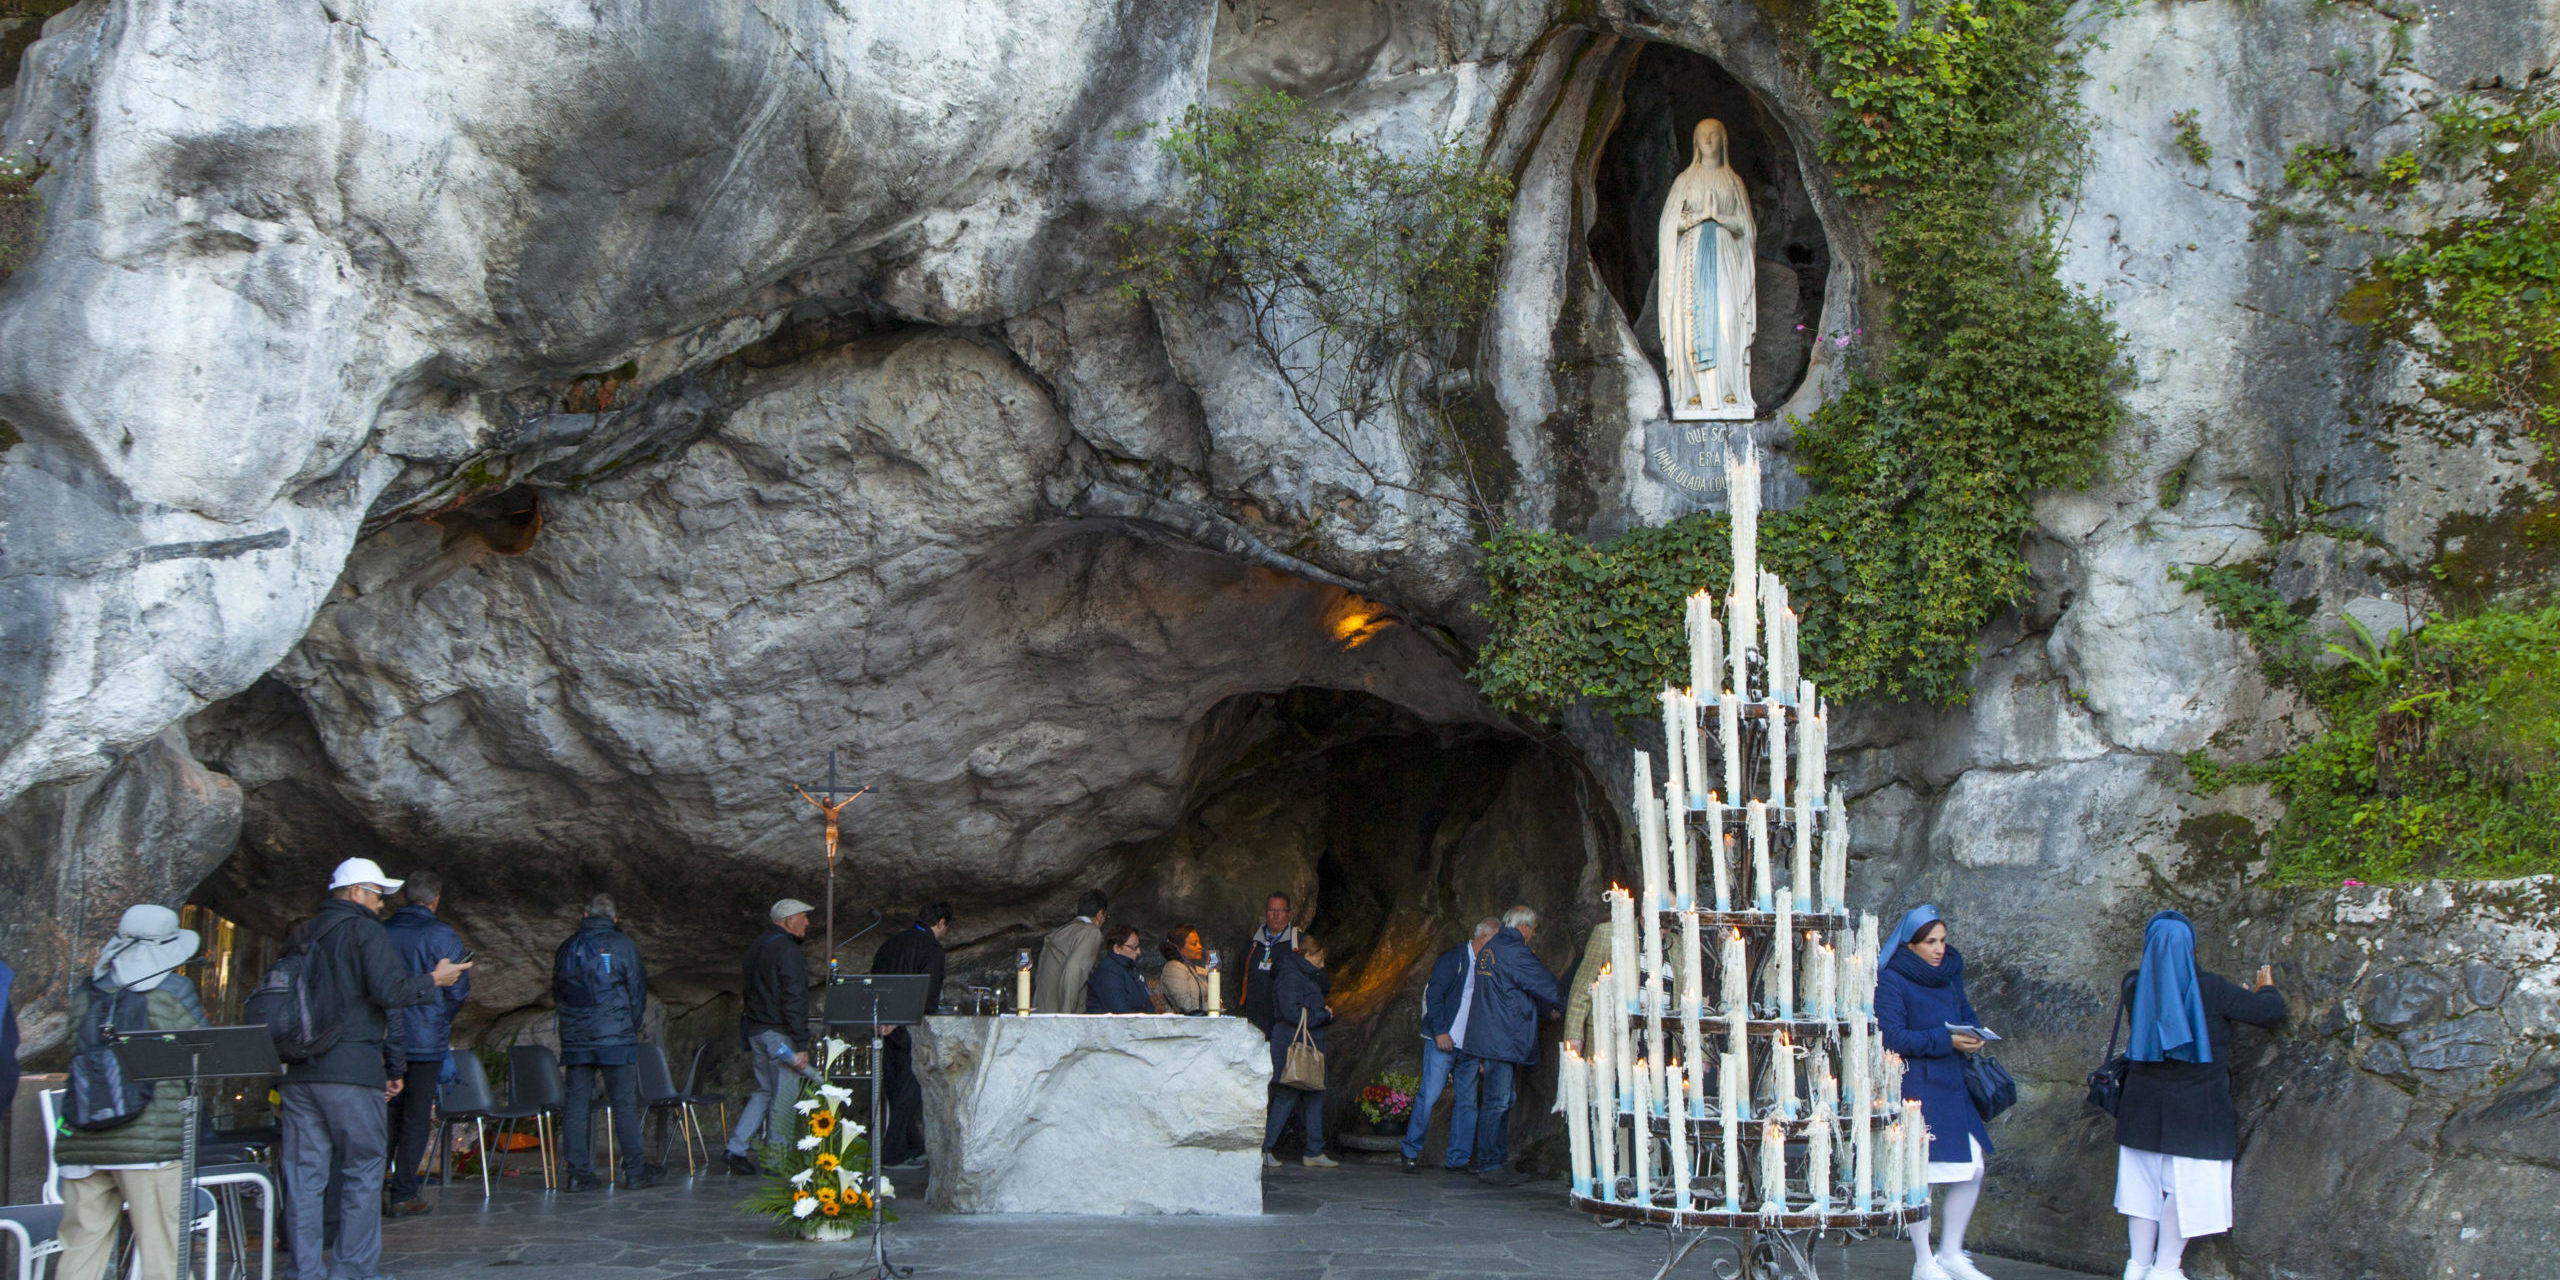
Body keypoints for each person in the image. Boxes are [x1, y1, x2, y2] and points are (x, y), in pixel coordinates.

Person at [280, 858, 469, 1280]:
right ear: (355, 892)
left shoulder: (303, 933)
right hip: (350, 1069)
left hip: (299, 1074)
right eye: (376, 894)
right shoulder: (365, 930)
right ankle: (353, 1271)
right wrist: (434, 980)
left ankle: (303, 1271)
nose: (382, 904)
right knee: (363, 1170)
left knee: (304, 1178)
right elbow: (389, 993)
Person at [2114, 911, 2285, 1280]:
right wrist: (2267, 987)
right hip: (2198, 1109)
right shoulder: (2213, 990)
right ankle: (2165, 1269)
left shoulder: (2133, 986)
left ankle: (2137, 1266)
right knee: (2188, 1189)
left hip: (2141, 1106)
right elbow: (2270, 1012)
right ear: (2191, 946)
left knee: (2140, 1191)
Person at [54, 905, 208, 1280]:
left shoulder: (86, 992)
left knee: (81, 1250)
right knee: (162, 1254)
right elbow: (202, 1052)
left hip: (84, 1139)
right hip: (149, 1145)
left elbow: (75, 1049)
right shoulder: (174, 990)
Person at [1876, 905, 1997, 1280]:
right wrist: (1946, 1040)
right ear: (1911, 945)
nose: (1939, 948)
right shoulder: (1891, 979)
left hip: (1953, 1084)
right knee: (1921, 1177)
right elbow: (1892, 1036)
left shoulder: (1949, 974)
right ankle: (1924, 1261)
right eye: (1930, 942)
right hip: (1918, 1086)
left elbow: (1966, 1012)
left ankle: (1950, 1253)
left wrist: (1973, 1035)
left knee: (1972, 1168)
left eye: (1942, 940)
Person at [1449, 905, 1561, 1185]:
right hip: (1502, 1036)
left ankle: (1496, 1159)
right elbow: (1544, 983)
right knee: (1497, 1102)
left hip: (1489, 1034)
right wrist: (1563, 1002)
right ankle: (1490, 1163)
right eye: (1533, 930)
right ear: (1524, 927)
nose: (1533, 936)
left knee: (1502, 1099)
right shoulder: (1515, 951)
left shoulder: (1492, 947)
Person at [381, 871, 469, 1216]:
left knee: (384, 1116)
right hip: (424, 1040)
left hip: (384, 1037)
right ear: (435, 900)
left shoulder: (381, 932)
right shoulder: (442, 935)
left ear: (404, 898)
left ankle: (368, 1190)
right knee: (416, 1117)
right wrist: (438, 1018)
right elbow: (458, 989)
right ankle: (403, 1192)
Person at [554, 893, 654, 1192]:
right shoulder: (624, 946)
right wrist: (629, 1028)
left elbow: (558, 992)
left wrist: (571, 1029)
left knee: (576, 1105)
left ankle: (577, 1173)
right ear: (615, 919)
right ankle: (635, 1171)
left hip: (576, 1040)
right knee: (623, 1103)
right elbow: (637, 993)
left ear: (585, 915)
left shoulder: (567, 947)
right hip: (616, 1037)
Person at [1402, 918, 1499, 1174]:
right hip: (1443, 1040)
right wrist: (1440, 1031)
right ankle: (1410, 1151)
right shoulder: (1454, 958)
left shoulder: (1488, 965)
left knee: (1467, 1102)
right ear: (1483, 938)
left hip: (1469, 1046)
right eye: (1495, 941)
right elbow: (1433, 995)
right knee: (1429, 1095)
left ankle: (1458, 1159)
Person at [729, 898, 818, 1175]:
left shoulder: (756, 948)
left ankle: (736, 1147)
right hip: (779, 1034)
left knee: (765, 1090)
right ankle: (777, 1161)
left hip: (756, 1030)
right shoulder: (788, 951)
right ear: (788, 920)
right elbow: (794, 998)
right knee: (784, 1096)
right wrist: (801, 1043)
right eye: (803, 917)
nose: (807, 923)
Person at [870, 902, 950, 1169]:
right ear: (940, 922)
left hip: (882, 1024)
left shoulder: (892, 943)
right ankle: (891, 1152)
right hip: (909, 1026)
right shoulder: (932, 949)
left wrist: (883, 1018)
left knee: (895, 1087)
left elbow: (875, 979)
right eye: (945, 926)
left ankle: (912, 1146)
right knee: (910, 1090)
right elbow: (926, 993)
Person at [1262, 934, 1337, 1169]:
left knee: (1314, 1094)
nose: (1323, 965)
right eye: (1319, 959)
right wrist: (1323, 1015)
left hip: (1308, 1042)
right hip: (1294, 1045)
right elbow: (1291, 1012)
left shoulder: (1303, 973)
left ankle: (1314, 1150)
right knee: (1286, 1095)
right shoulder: (1290, 975)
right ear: (1306, 955)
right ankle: (1265, 1149)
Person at [1031, 889, 1107, 1014]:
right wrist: (1067, 1016)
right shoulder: (1091, 932)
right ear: (1099, 914)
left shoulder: (1060, 932)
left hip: (1042, 1010)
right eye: (1105, 916)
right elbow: (1074, 971)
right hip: (1059, 1017)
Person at [1237, 892, 1300, 1033]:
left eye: (1280, 911)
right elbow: (1242, 976)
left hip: (1285, 1023)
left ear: (1288, 913)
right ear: (1266, 913)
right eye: (1272, 910)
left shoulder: (1297, 944)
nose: (1276, 915)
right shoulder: (1252, 946)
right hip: (1254, 1022)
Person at [1085, 924, 1152, 1013]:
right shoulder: (1107, 972)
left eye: (1138, 946)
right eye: (1134, 947)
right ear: (1117, 948)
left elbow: (1147, 1002)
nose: (1139, 952)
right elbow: (1118, 1009)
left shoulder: (1132, 968)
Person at [1157, 925, 1212, 1014]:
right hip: (1182, 1024)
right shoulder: (1174, 968)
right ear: (1179, 947)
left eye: (1199, 942)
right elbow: (1186, 1005)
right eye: (1194, 944)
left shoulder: (1194, 969)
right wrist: (1212, 1006)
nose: (1200, 946)